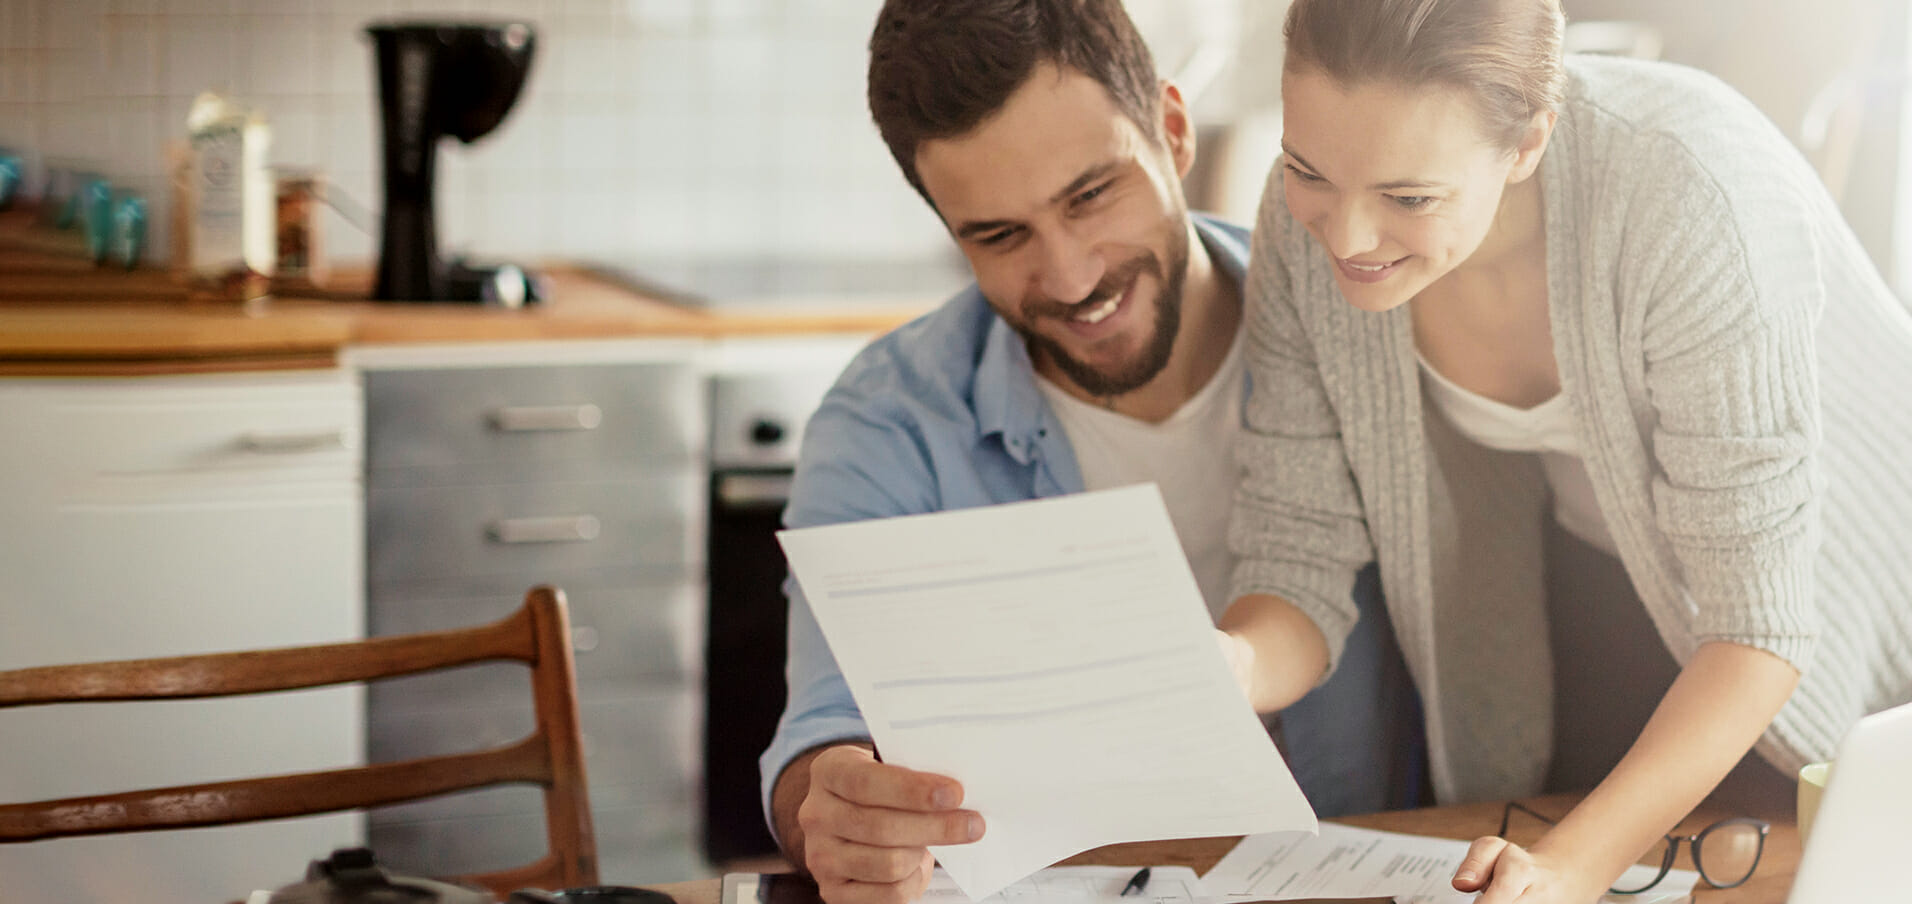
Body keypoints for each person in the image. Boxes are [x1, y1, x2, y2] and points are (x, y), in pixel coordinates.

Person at [1219, 0, 1912, 901]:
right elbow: (1296, 554)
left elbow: (1758, 624)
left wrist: (1571, 868)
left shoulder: (1690, 190)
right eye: (1307, 169)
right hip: (1607, 579)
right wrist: (1219, 670)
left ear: (1529, 141)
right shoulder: (1298, 226)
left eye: (1409, 198)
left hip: (1840, 612)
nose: (1344, 237)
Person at [758, 2, 1425, 903]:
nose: (1071, 278)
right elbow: (824, 736)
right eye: (998, 236)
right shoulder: (889, 419)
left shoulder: (1361, 325)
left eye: (1091, 195)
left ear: (1175, 131)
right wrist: (833, 812)